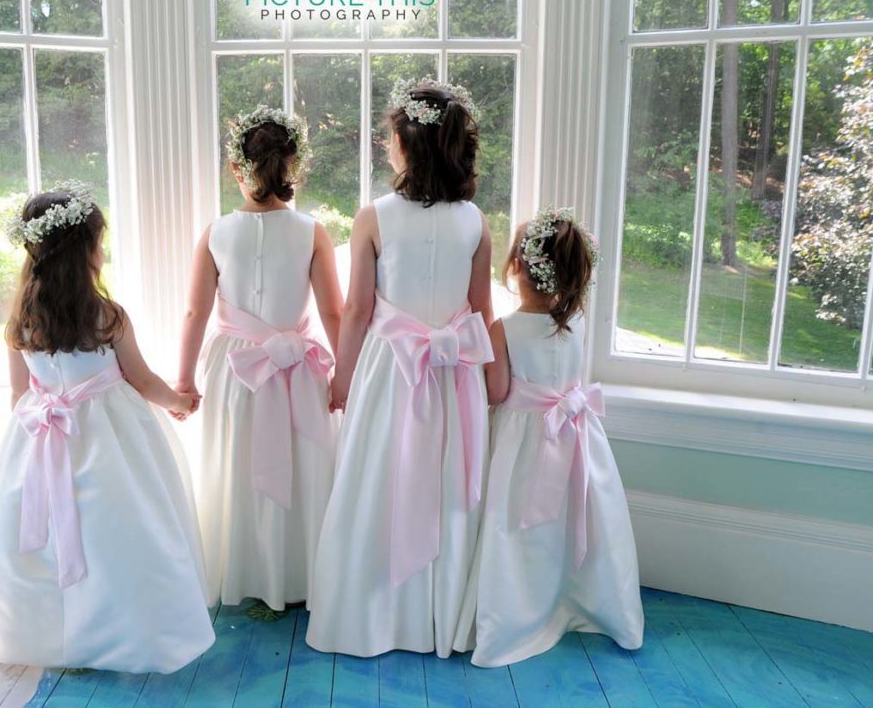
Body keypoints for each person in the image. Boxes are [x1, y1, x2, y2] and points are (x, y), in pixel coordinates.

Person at [0, 182, 215, 674]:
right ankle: (120, 634)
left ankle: (42, 636)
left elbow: (19, 394)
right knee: (116, 534)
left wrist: (30, 442)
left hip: (41, 436)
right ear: (86, 252)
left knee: (48, 538)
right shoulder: (106, 316)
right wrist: (180, 401)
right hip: (108, 444)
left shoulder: (22, 320)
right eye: (100, 241)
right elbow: (141, 380)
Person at [307, 78, 494, 657]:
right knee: (444, 484)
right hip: (455, 373)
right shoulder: (476, 221)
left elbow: (357, 310)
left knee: (380, 479)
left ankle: (374, 617)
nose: (387, 146)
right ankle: (438, 618)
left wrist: (342, 378)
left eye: (390, 137)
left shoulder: (374, 217)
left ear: (407, 144)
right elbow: (482, 312)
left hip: (391, 371)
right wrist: (490, 381)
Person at [458, 208, 644, 666]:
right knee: (570, 519)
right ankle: (574, 597)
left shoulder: (503, 329)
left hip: (522, 442)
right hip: (576, 436)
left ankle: (521, 610)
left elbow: (497, 392)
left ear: (515, 266)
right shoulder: (575, 324)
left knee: (519, 526)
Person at [176, 106, 343, 610]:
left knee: (237, 462)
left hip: (235, 367)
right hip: (297, 365)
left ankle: (243, 570)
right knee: (302, 462)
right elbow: (333, 311)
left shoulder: (216, 232)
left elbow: (195, 312)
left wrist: (184, 381)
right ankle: (301, 574)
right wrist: (346, 375)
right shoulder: (312, 231)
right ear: (295, 168)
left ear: (235, 167)